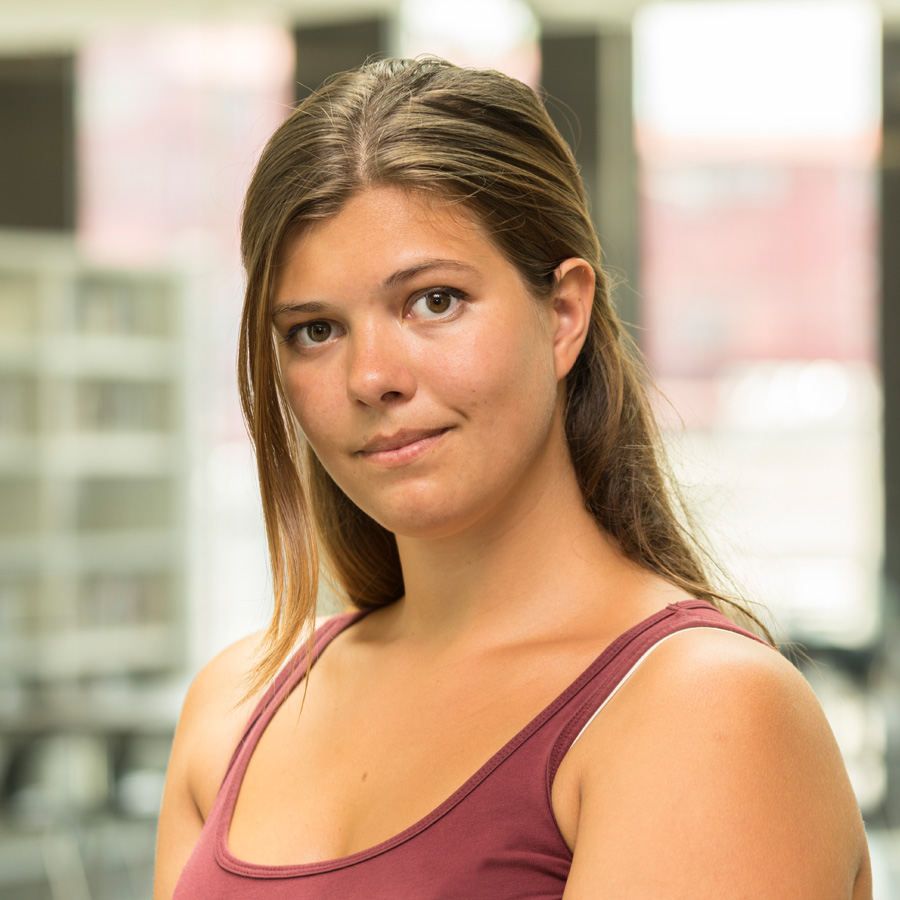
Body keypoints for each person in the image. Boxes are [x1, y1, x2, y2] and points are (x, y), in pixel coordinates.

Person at [153, 57, 872, 899]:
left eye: (434, 301)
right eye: (315, 330)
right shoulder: (233, 709)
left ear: (563, 313)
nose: (371, 376)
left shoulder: (702, 711)